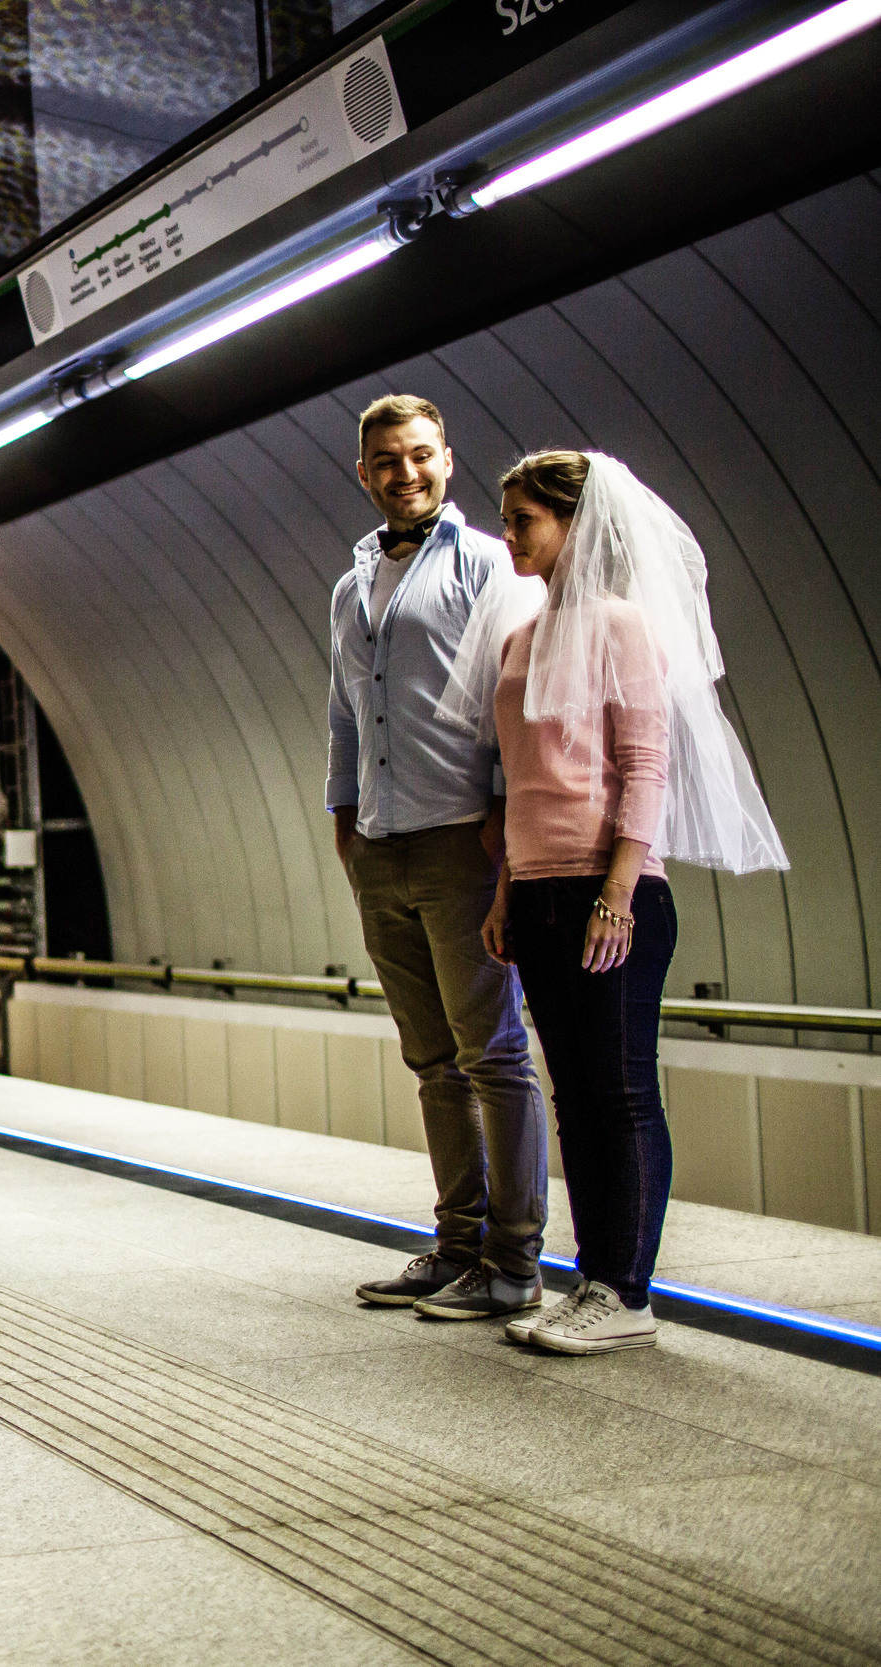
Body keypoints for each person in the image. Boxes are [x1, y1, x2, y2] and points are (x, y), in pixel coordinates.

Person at [440, 451, 786, 1354]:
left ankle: (627, 1290)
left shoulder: (623, 626)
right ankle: (592, 1279)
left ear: (574, 523)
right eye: (507, 518)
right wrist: (508, 891)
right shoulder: (521, 638)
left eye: (524, 520)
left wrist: (619, 893)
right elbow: (516, 782)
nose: (508, 534)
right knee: (574, 1099)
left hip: (610, 890)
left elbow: (645, 765)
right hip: (540, 890)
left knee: (622, 1091)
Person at [326, 394, 551, 1322]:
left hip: (464, 838)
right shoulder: (349, 585)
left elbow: (516, 701)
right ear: (363, 471)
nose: (404, 473)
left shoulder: (490, 567)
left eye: (420, 456)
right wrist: (344, 822)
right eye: (386, 460)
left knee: (493, 1054)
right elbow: (343, 710)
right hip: (378, 844)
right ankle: (458, 1244)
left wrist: (502, 834)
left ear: (448, 462)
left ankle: (514, 1262)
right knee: (431, 1061)